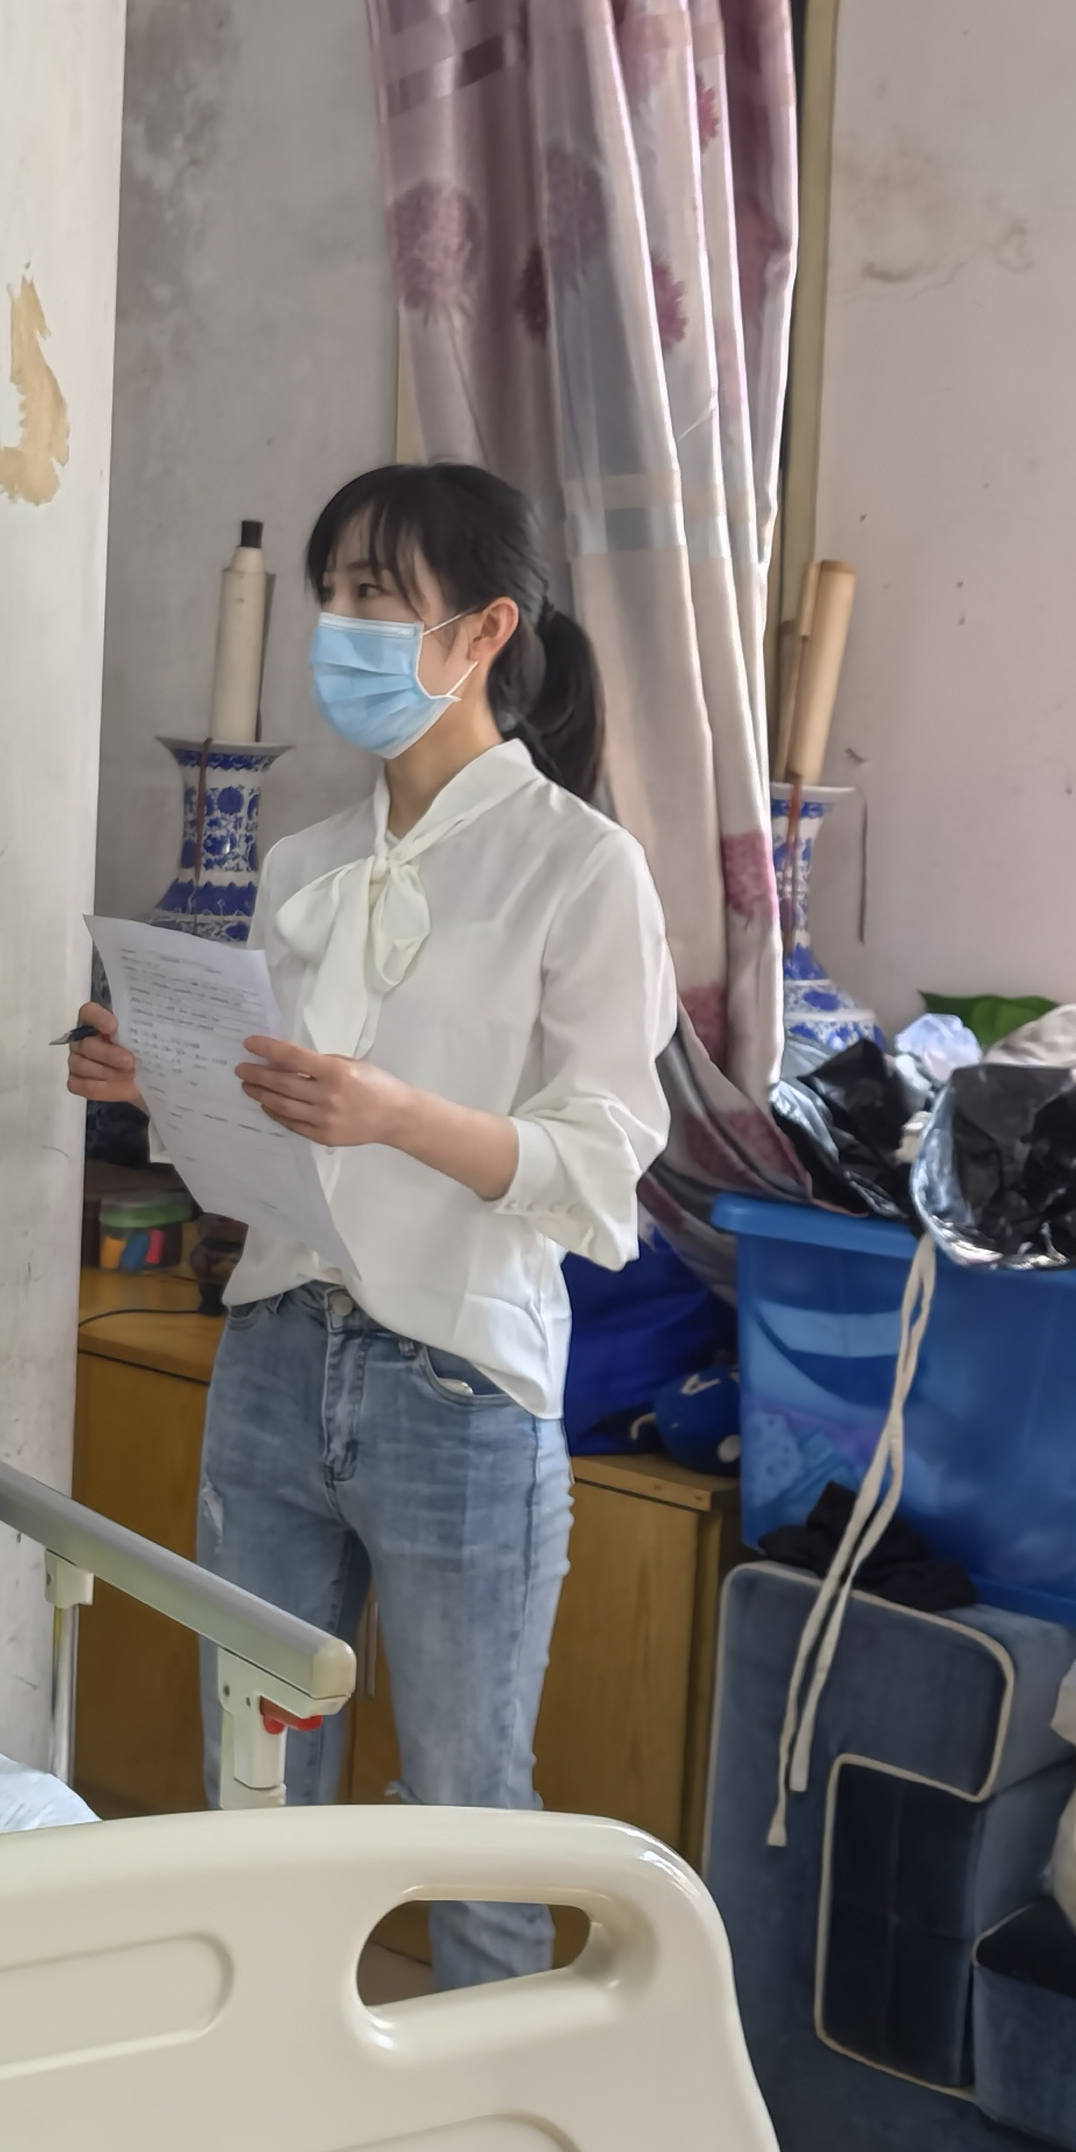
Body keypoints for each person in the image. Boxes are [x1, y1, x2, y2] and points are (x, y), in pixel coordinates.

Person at [67, 461, 669, 1989]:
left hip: (458, 1380)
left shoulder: (580, 867)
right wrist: (161, 1084)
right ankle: (280, 2091)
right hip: (275, 1353)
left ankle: (493, 2124)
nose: (339, 626)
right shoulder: (303, 865)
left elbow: (605, 1170)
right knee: (256, 1790)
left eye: (377, 598)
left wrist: (398, 1114)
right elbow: (269, 1139)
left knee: (469, 1811)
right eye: (331, 594)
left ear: (484, 631)